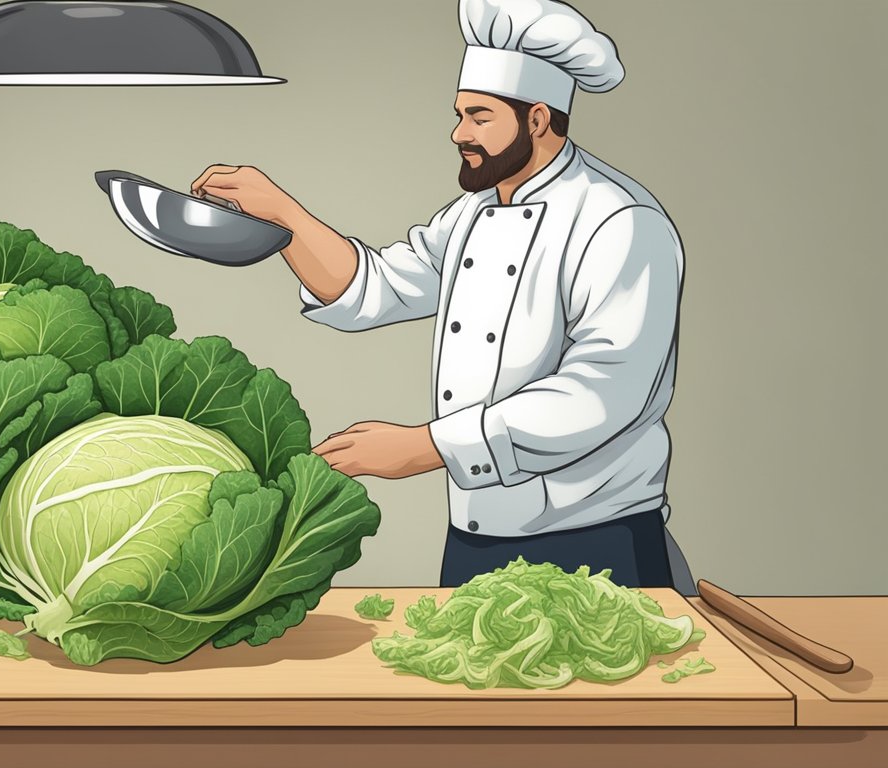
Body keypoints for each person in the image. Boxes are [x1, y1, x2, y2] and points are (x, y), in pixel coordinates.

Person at [190, 0, 686, 588]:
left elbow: (602, 394)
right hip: (475, 531)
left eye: (479, 116)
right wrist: (282, 216)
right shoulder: (473, 212)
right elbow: (375, 286)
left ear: (538, 119)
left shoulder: (620, 221)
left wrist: (427, 446)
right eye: (458, 114)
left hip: (596, 538)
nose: (459, 134)